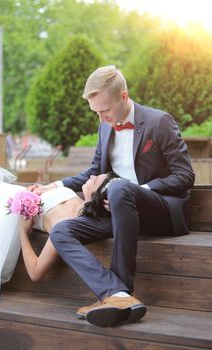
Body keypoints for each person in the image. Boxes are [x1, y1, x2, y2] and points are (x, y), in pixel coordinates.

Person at [34, 65, 195, 328]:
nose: (101, 119)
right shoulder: (105, 128)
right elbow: (95, 171)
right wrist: (56, 184)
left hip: (161, 211)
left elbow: (185, 176)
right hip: (119, 211)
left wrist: (138, 191)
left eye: (105, 111)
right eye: (96, 112)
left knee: (119, 188)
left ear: (124, 96)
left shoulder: (159, 121)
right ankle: (116, 293)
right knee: (62, 231)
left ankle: (122, 291)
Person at [0, 153, 116, 341]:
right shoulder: (76, 199)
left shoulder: (68, 225)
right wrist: (38, 190)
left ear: (99, 196)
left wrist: (22, 230)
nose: (91, 176)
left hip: (3, 215)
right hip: (9, 194)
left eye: (96, 179)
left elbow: (35, 272)